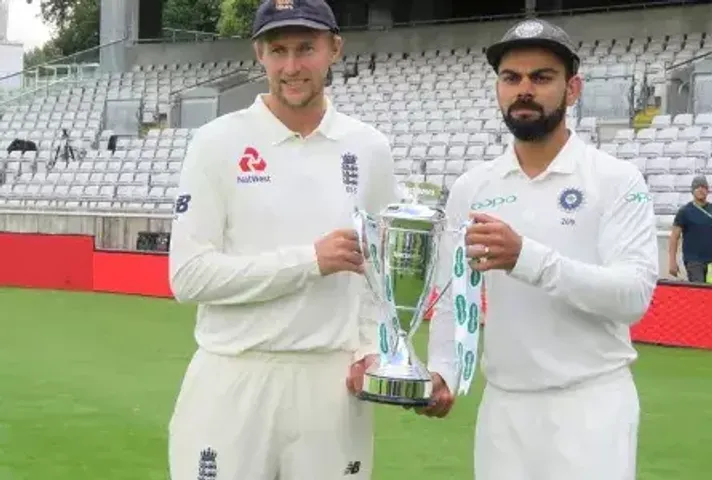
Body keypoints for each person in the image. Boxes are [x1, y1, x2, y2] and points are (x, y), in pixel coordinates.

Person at [418, 19, 660, 480]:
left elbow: (632, 297)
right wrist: (443, 370)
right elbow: (453, 294)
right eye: (511, 78)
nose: (523, 90)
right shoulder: (473, 186)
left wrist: (527, 258)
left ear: (572, 89)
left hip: (590, 403)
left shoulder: (615, 180)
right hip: (504, 406)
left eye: (541, 77)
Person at [166, 1, 399, 479]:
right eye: (279, 50)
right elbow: (188, 276)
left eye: (306, 49)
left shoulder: (369, 148)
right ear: (260, 54)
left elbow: (381, 275)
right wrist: (308, 261)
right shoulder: (216, 142)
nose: (292, 66)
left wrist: (369, 348)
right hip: (234, 375)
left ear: (334, 48)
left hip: (330, 386)